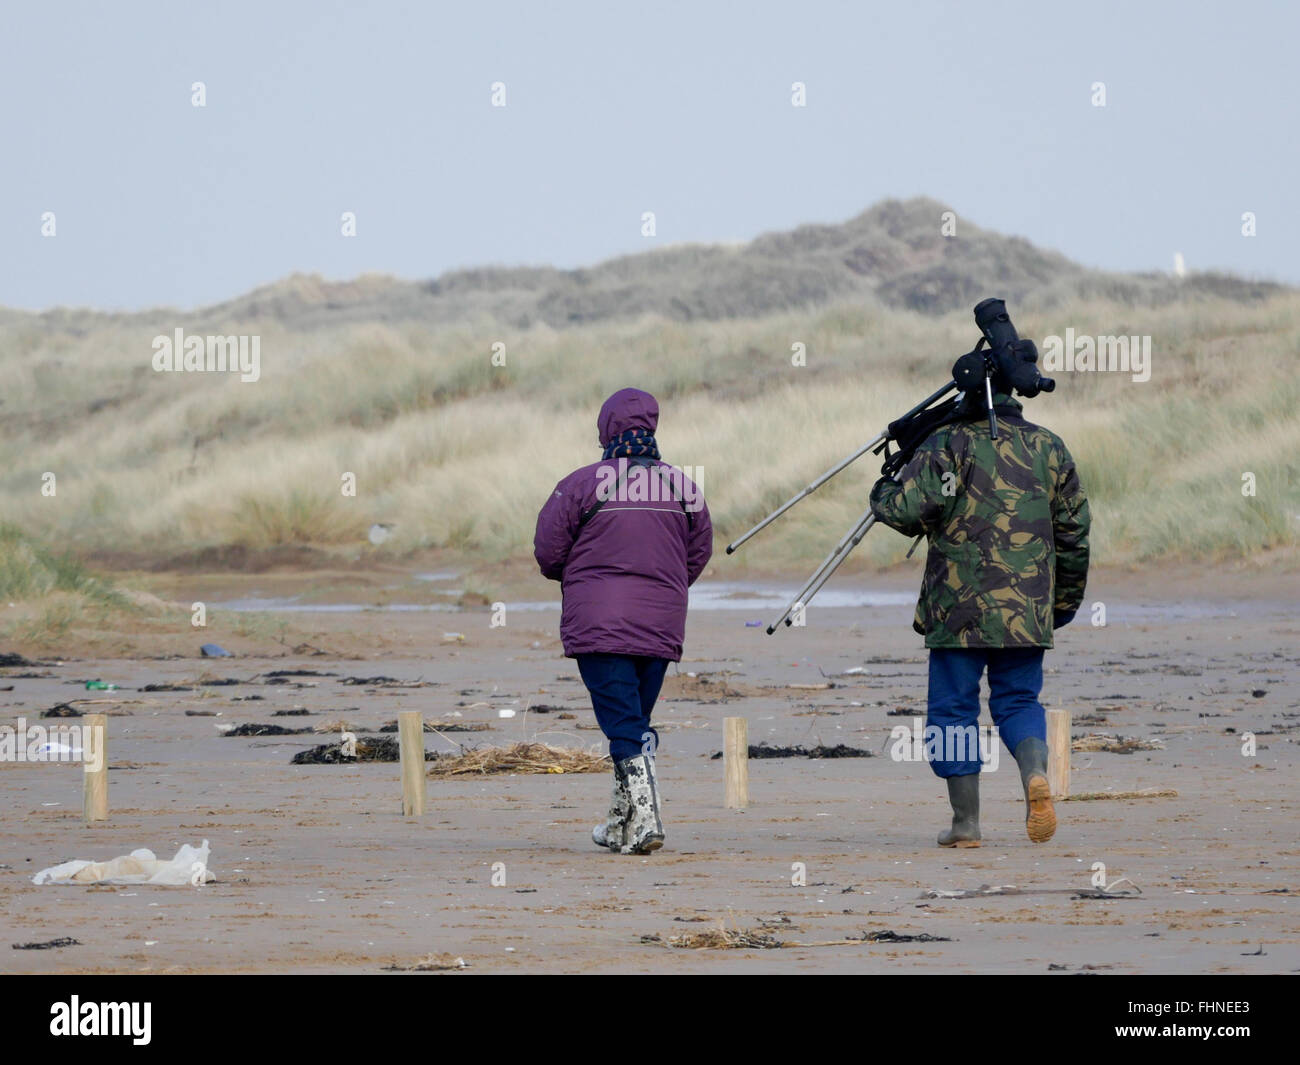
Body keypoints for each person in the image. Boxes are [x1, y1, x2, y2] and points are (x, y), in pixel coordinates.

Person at [870, 348, 1090, 847]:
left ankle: (966, 824)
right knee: (1018, 701)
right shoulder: (1050, 448)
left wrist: (881, 492)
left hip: (957, 609)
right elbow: (1075, 533)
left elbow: (906, 510)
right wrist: (1062, 604)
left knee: (953, 711)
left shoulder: (948, 444)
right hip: (1028, 609)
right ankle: (1034, 777)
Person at [534, 387, 712, 854]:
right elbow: (697, 556)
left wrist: (582, 581)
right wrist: (663, 590)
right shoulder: (683, 487)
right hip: (660, 624)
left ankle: (647, 821)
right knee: (632, 722)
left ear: (606, 430)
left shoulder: (579, 484)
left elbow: (548, 553)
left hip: (600, 624)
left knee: (624, 726)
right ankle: (619, 820)